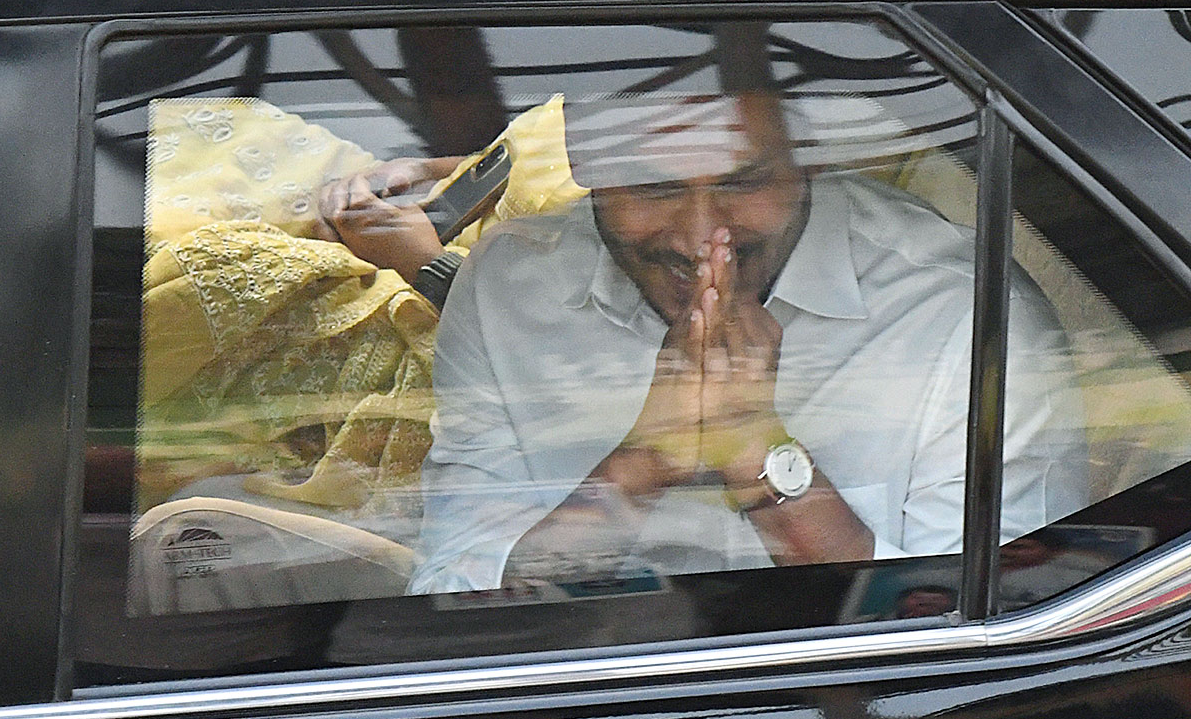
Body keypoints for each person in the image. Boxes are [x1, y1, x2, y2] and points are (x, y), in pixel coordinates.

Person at [407, 90, 1089, 594]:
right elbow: (453, 605)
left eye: (742, 180)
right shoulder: (510, 290)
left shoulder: (964, 320)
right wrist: (640, 464)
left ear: (811, 161)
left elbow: (981, 648)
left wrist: (762, 457)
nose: (701, 236)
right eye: (653, 184)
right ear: (586, 160)